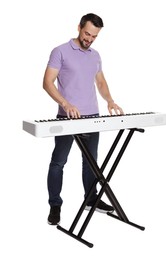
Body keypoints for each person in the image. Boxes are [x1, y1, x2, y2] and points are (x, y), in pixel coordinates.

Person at [43, 13, 124, 225]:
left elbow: (101, 82)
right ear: (79, 27)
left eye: (94, 36)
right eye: (87, 33)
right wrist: (66, 104)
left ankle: (91, 200)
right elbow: (48, 83)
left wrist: (110, 101)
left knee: (91, 162)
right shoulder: (60, 51)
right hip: (67, 117)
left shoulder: (95, 55)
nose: (89, 39)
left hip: (92, 116)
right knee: (58, 162)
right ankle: (55, 205)